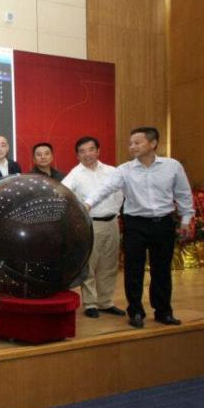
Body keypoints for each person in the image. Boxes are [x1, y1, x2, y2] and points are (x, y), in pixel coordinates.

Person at [84, 127, 193, 329]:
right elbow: (105, 188)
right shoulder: (124, 170)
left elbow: (183, 194)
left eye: (137, 142)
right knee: (133, 270)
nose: (132, 146)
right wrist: (88, 204)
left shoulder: (172, 166)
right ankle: (135, 311)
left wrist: (186, 219)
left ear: (153, 143)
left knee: (162, 270)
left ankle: (163, 312)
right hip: (136, 225)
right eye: (130, 143)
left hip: (163, 224)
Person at [61, 136, 125, 319]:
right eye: (82, 151)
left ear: (98, 151)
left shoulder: (112, 171)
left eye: (91, 150)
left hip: (112, 223)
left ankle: (106, 302)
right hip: (91, 224)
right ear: (77, 155)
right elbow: (63, 194)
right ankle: (90, 303)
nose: (87, 154)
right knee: (89, 265)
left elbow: (120, 195)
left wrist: (114, 212)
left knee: (109, 265)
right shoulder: (75, 174)